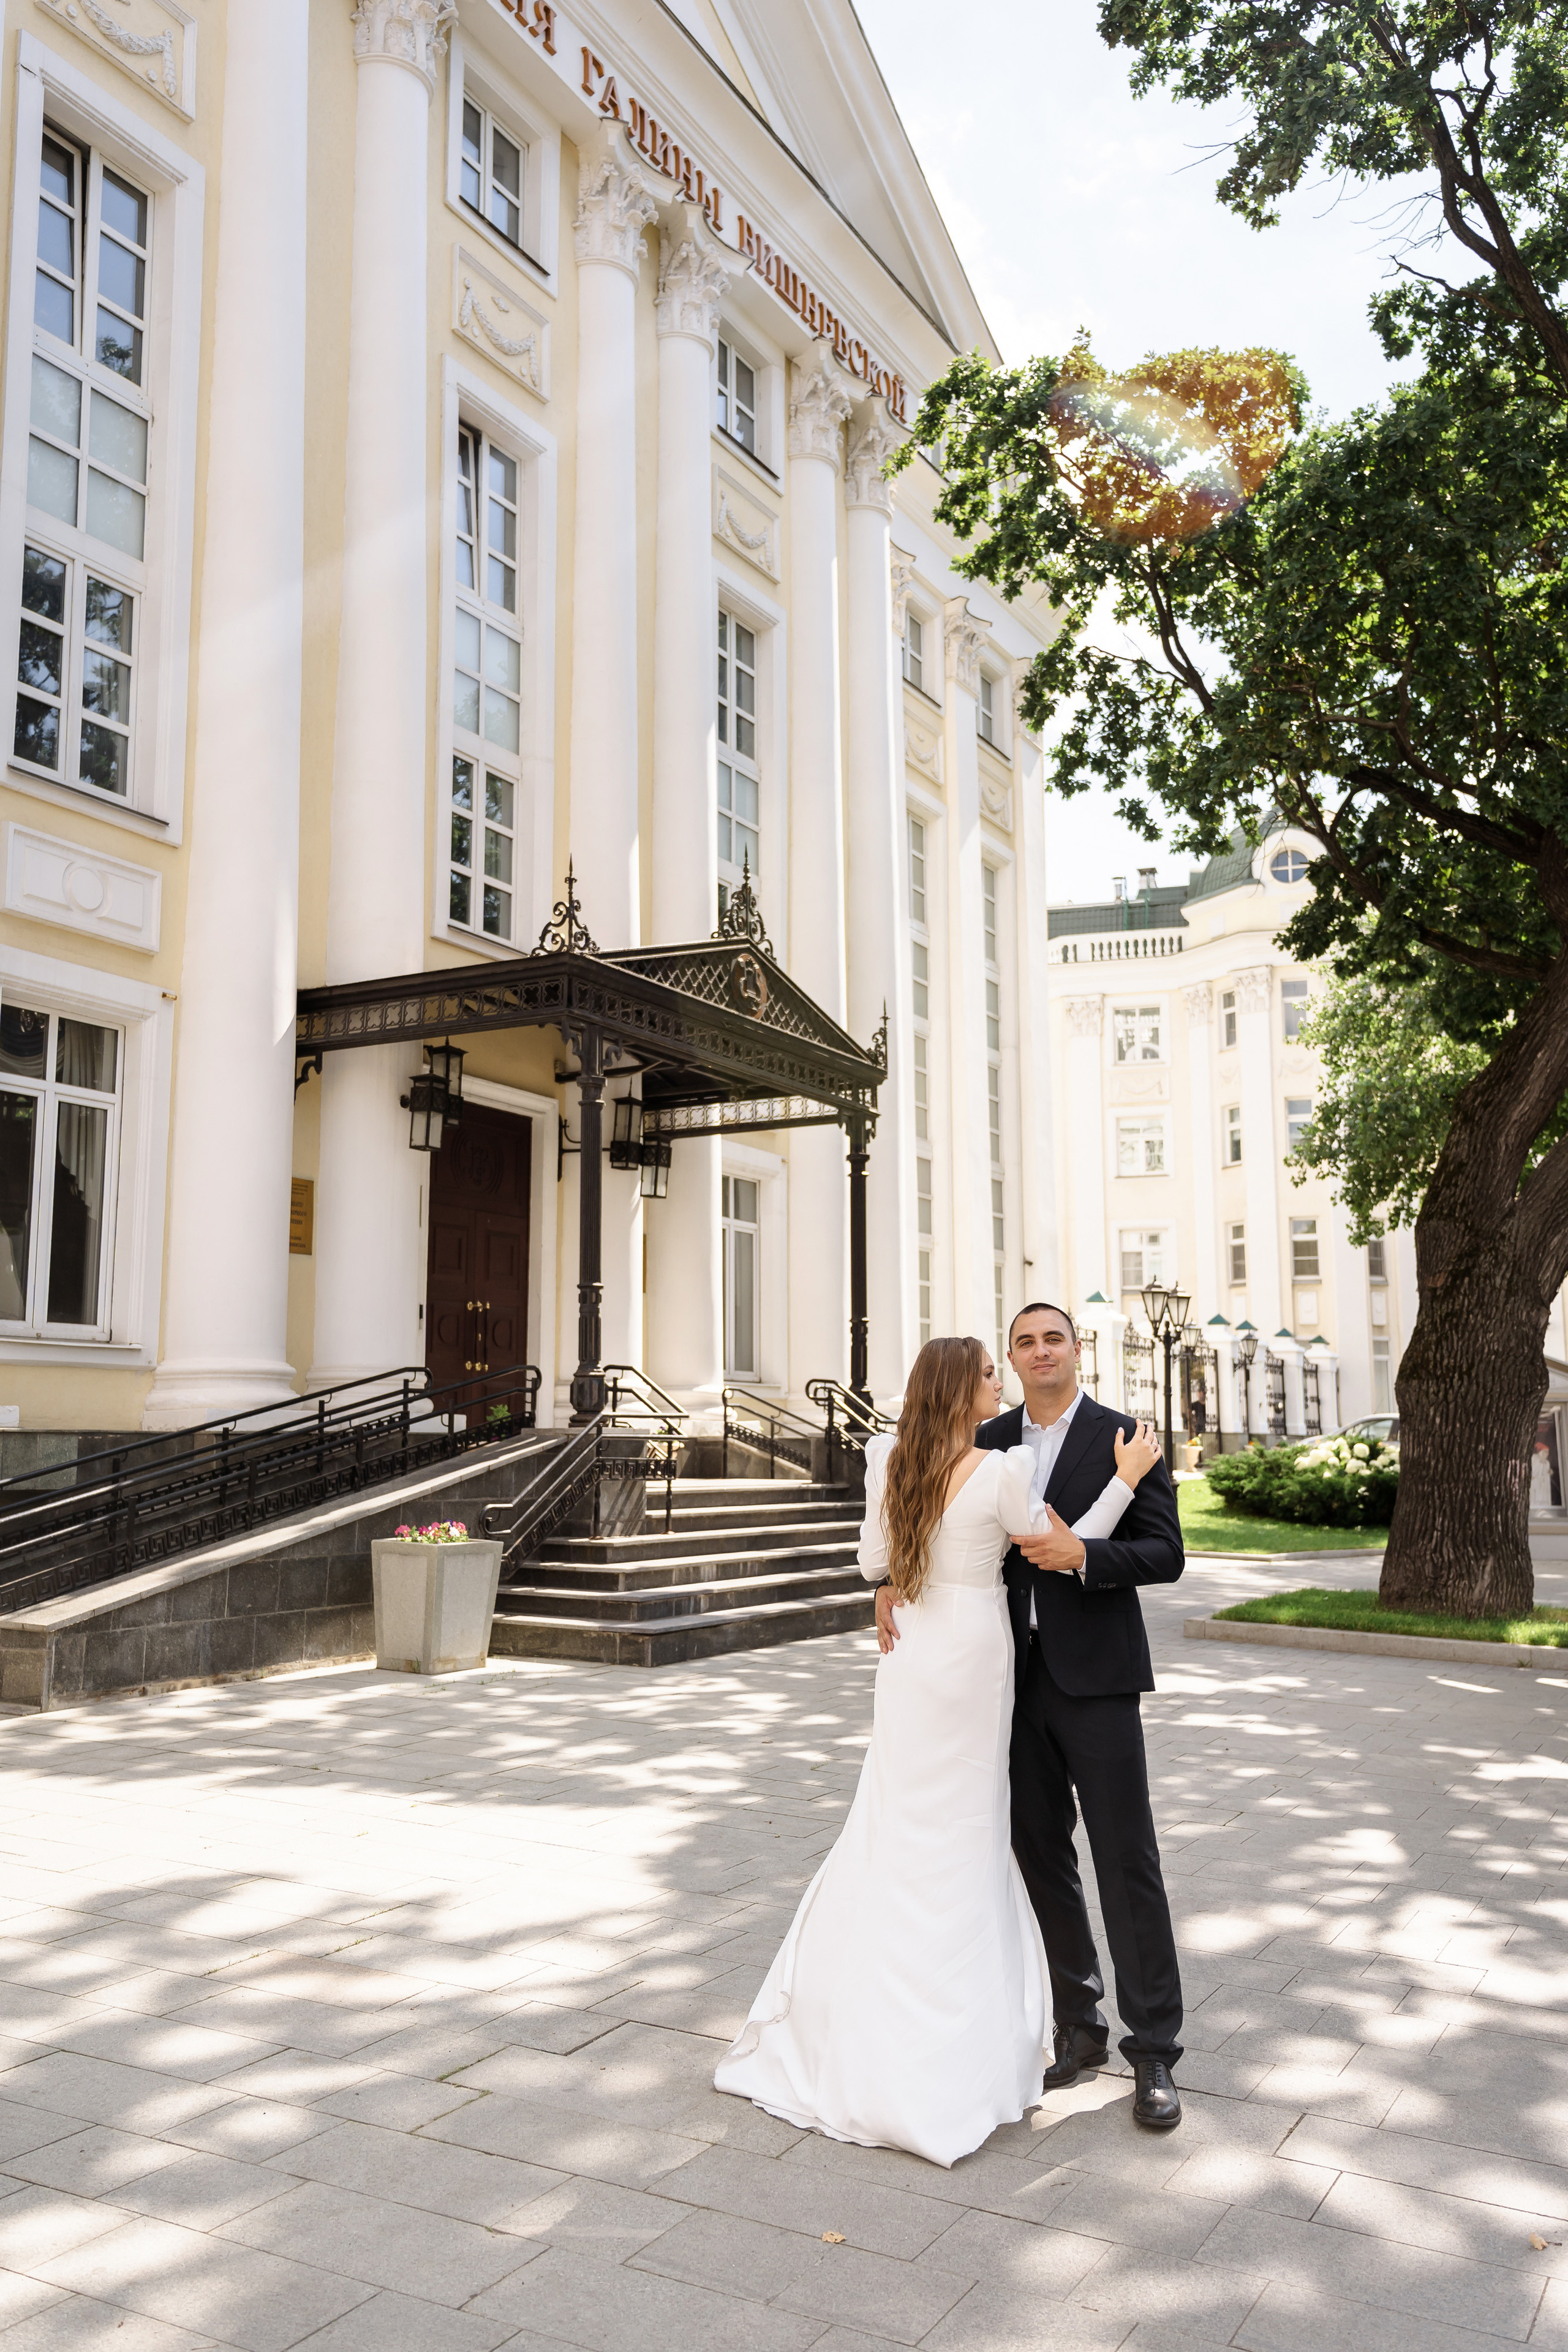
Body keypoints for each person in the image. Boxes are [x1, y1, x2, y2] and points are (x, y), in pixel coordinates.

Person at [714, 1336, 1161, 2168]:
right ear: (965, 1393)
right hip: (975, 1651)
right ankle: (953, 2040)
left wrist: (893, 1585)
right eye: (993, 1371)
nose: (1003, 1380)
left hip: (913, 1651)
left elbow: (873, 1563)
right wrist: (1126, 1480)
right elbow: (1060, 1550)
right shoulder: (1000, 1473)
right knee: (967, 1826)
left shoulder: (890, 1458)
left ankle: (856, 2019)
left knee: (897, 1816)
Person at [879, 1302, 1186, 2130]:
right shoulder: (984, 1439)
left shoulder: (1129, 1436)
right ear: (1009, 1360)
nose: (1040, 1351)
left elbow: (1166, 1553)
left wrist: (1088, 1556)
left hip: (1099, 1679)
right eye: (1024, 1342)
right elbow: (927, 1525)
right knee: (1038, 1857)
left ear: (1077, 1350)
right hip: (1003, 1684)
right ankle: (1077, 2029)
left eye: (1055, 1337)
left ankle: (1153, 2048)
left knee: (1128, 1858)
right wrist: (886, 1580)